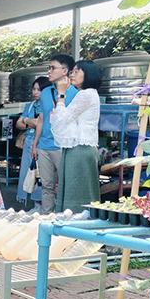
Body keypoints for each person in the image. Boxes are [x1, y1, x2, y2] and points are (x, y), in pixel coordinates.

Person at [52, 60, 102, 213]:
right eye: (72, 71)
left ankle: (74, 227)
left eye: (76, 71)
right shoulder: (89, 94)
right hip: (81, 147)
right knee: (81, 191)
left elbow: (62, 118)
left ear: (87, 74)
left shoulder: (85, 95)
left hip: (80, 149)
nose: (72, 75)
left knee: (76, 193)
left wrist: (61, 93)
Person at [32, 54, 77, 214]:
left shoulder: (76, 93)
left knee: (66, 185)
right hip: (44, 145)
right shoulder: (45, 93)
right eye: (49, 68)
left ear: (65, 71)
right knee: (47, 185)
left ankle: (65, 217)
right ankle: (46, 217)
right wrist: (35, 144)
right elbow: (42, 119)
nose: (49, 71)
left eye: (53, 68)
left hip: (63, 146)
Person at [15, 76, 52, 209]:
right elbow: (18, 123)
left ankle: (43, 205)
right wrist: (29, 122)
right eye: (34, 89)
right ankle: (36, 205)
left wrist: (27, 121)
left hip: (43, 143)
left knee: (42, 175)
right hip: (28, 142)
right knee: (28, 173)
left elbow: (41, 124)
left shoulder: (50, 104)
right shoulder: (30, 106)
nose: (35, 92)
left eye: (39, 89)